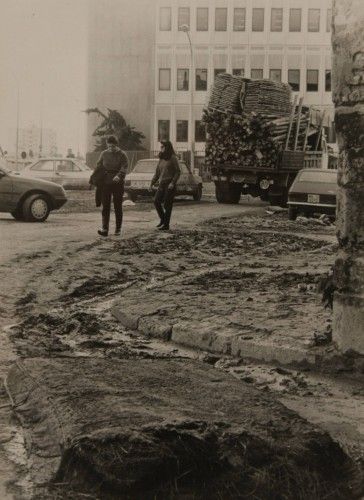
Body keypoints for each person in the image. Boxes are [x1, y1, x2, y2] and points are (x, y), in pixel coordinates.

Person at [91, 136, 128, 237]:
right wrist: (96, 180)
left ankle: (118, 229)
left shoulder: (122, 154)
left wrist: (119, 175)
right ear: (107, 144)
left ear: (116, 145)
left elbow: (125, 166)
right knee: (105, 206)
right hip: (105, 183)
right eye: (109, 146)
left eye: (113, 146)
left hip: (118, 183)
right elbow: (98, 166)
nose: (111, 148)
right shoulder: (104, 153)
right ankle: (104, 228)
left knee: (117, 206)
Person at [150, 141, 181, 231]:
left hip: (169, 184)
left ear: (167, 147)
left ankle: (166, 225)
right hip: (162, 183)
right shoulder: (161, 158)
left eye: (163, 146)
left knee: (167, 204)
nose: (161, 148)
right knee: (156, 201)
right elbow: (157, 173)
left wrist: (173, 183)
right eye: (161, 147)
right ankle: (163, 219)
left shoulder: (173, 158)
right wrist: (151, 183)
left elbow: (178, 171)